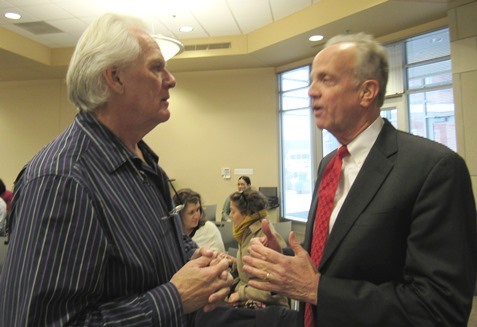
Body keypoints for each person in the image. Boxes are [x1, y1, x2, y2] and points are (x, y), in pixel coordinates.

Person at [0, 13, 232, 326]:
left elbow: (148, 258)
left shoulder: (143, 163)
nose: (171, 79)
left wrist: (198, 263)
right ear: (115, 77)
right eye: (156, 67)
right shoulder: (61, 181)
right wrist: (175, 298)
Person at [242, 33, 477, 326]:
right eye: (312, 80)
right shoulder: (329, 164)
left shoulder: (435, 169)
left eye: (326, 80)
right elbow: (336, 258)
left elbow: (440, 308)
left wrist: (315, 289)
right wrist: (286, 261)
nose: (311, 91)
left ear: (366, 92)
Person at [227, 188, 288, 308]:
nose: (230, 216)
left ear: (247, 215)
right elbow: (251, 272)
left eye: (233, 212)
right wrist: (233, 262)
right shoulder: (247, 232)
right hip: (249, 297)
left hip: (268, 307)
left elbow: (276, 289)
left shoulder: (265, 237)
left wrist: (241, 294)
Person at [173, 188, 225, 252]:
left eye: (198, 209)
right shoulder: (171, 234)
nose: (197, 215)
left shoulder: (209, 229)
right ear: (179, 215)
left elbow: (219, 257)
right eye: (191, 212)